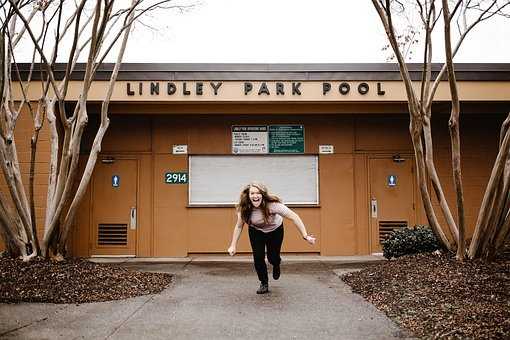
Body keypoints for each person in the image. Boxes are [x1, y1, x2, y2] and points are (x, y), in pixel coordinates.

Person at [227, 182, 316, 294]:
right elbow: (239, 226)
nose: (255, 196)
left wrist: (305, 235)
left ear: (263, 195)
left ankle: (276, 263)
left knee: (272, 257)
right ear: (248, 195)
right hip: (256, 231)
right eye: (252, 193)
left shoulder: (273, 205)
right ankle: (264, 283)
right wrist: (233, 245)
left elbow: (294, 217)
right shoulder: (244, 208)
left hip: (275, 231)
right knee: (258, 258)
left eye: (258, 193)